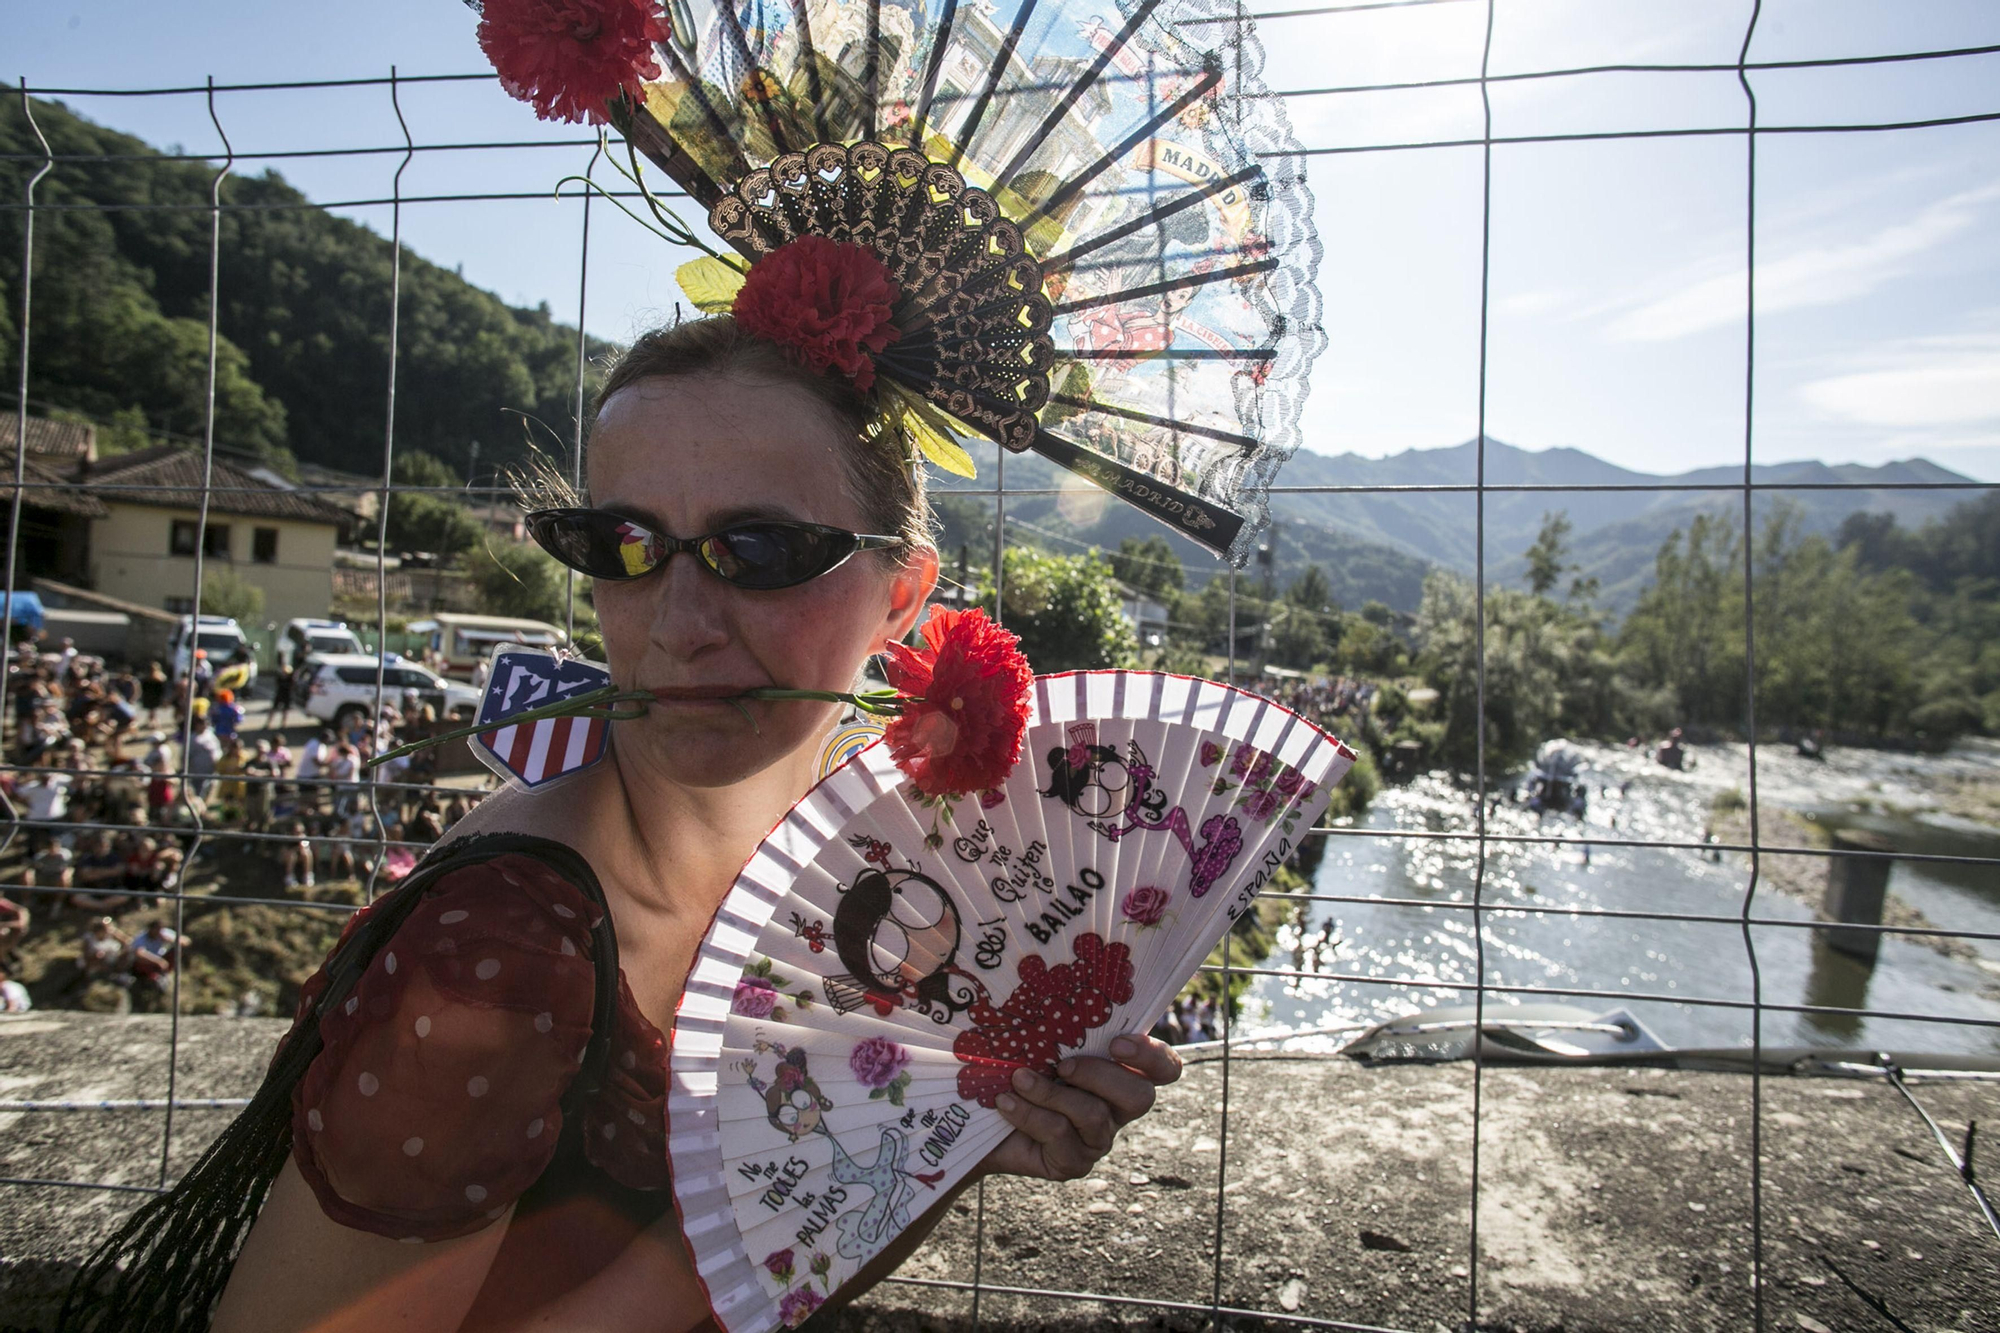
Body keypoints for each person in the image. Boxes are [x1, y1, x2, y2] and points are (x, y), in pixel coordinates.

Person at [210, 318, 1181, 1331]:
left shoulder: (857, 886)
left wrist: (945, 1142)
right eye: (621, 547)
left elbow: (797, 1258)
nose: (676, 624)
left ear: (901, 594)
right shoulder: (505, 947)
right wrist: (757, 1215)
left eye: (758, 550)